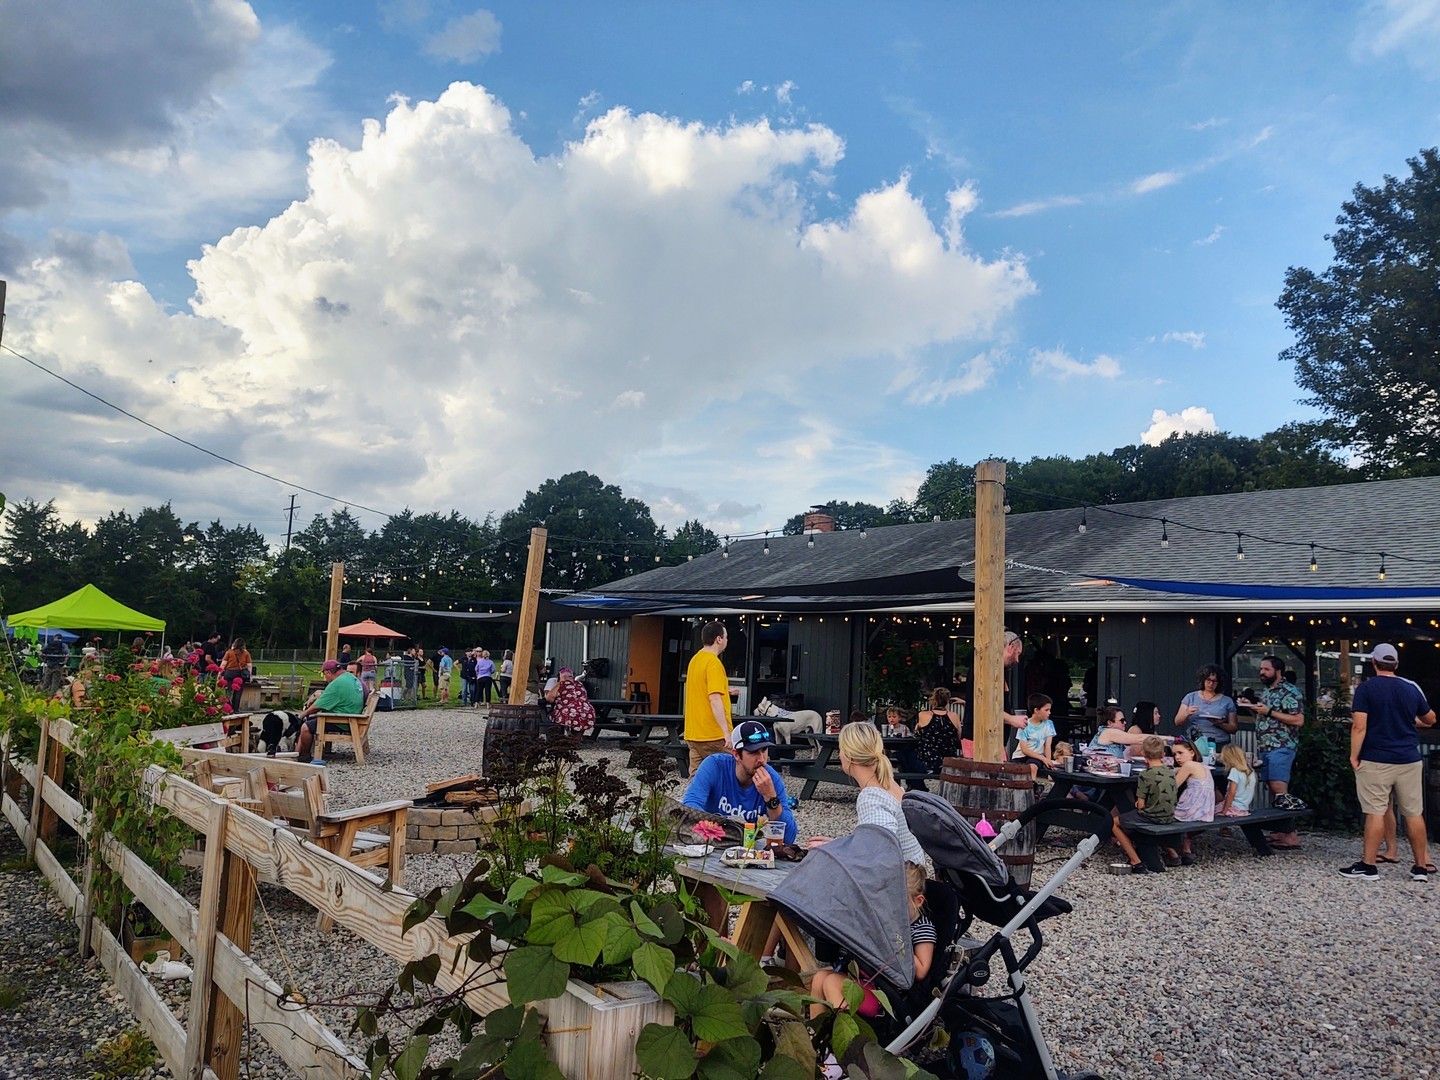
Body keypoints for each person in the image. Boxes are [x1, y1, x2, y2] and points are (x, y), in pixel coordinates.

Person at [682, 720, 797, 929]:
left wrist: (770, 798)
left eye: (764, 751)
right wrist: (727, 828)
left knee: (786, 894)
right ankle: (714, 956)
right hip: (712, 853)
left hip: (750, 859)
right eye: (753, 752)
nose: (761, 759)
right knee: (712, 892)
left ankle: (764, 956)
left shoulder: (771, 778)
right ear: (736, 754)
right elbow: (689, 808)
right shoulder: (715, 765)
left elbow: (788, 837)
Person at [1338, 643, 1436, 881]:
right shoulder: (1410, 688)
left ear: (1373, 663)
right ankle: (1421, 867)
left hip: (1376, 758)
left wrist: (1353, 755)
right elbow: (1430, 718)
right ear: (1396, 664)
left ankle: (1369, 865)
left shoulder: (1366, 689)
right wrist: (1409, 722)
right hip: (1409, 758)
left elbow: (1359, 726)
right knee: (1414, 813)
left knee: (1375, 811)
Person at [809, 862, 935, 1020]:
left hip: (888, 994)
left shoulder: (922, 929)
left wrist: (895, 937)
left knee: (831, 982)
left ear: (918, 901)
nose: (890, 909)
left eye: (897, 904)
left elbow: (922, 971)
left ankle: (844, 1035)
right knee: (820, 977)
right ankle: (816, 1031)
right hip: (865, 979)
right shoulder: (883, 919)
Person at [807, 722, 927, 865]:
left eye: (840, 749)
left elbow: (877, 855)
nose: (839, 755)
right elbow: (873, 841)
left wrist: (834, 852)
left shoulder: (872, 797)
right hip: (913, 877)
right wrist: (838, 844)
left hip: (900, 883)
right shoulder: (892, 786)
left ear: (848, 755)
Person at [1239, 655, 1306, 850]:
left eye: (1266, 669)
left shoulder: (1290, 691)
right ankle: (1280, 831)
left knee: (1280, 789)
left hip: (1282, 746)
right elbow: (1266, 716)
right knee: (1272, 789)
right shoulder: (1267, 691)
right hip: (1265, 747)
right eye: (1261, 669)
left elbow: (1298, 720)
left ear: (1278, 671)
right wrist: (1252, 708)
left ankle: (1291, 835)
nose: (1261, 672)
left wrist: (1268, 712)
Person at [1114, 736, 1178, 873]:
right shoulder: (1171, 772)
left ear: (1143, 753)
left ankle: (1135, 860)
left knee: (1113, 823)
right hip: (1169, 816)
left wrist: (1138, 803)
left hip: (1152, 817)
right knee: (1131, 818)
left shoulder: (1145, 775)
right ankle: (1170, 853)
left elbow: (1141, 805)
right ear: (1163, 754)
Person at [684, 621, 733, 774]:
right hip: (713, 734)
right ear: (719, 639)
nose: (727, 640)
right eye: (726, 637)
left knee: (697, 780)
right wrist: (726, 732)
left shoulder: (695, 660)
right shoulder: (714, 663)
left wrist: (727, 690)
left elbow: (701, 689)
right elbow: (714, 699)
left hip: (693, 732)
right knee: (732, 773)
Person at [295, 659, 365, 761]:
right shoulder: (350, 677)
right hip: (354, 718)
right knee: (312, 721)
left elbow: (318, 706)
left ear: (328, 672)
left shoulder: (337, 683)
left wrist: (301, 715)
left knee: (306, 727)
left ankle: (304, 756)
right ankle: (300, 752)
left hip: (343, 721)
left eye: (324, 674)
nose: (325, 678)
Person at [906, 687, 964, 789]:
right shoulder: (954, 716)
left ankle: (915, 786)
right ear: (947, 701)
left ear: (933, 700)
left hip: (928, 761)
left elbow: (917, 733)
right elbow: (959, 737)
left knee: (903, 754)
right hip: (948, 760)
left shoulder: (923, 715)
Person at [1169, 739, 1215, 864]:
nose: (1177, 757)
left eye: (1180, 753)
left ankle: (1171, 851)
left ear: (1191, 752)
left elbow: (1172, 787)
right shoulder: (1203, 766)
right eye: (1174, 754)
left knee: (1159, 816)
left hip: (1191, 810)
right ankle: (1186, 847)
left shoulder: (1188, 766)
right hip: (1205, 811)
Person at [1174, 665, 1238, 748]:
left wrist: (1220, 724)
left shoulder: (1227, 701)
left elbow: (1234, 728)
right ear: (1203, 680)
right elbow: (1177, 722)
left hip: (1219, 742)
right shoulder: (1190, 697)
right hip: (1195, 741)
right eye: (1208, 680)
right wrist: (1186, 713)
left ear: (1219, 683)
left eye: (1214, 681)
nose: (1211, 684)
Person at [1012, 693, 1057, 780]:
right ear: (1036, 710)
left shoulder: (1049, 724)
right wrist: (1043, 759)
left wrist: (1048, 761)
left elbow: (1047, 746)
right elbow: (1024, 750)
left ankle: (1032, 787)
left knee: (1032, 767)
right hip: (1020, 756)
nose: (1049, 713)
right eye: (1046, 710)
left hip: (1036, 757)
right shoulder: (1024, 724)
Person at [545, 667, 596, 734]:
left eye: (570, 676)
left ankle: (575, 738)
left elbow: (584, 697)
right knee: (575, 715)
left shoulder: (577, 684)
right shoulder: (561, 684)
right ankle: (574, 738)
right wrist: (560, 683)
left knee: (580, 714)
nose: (568, 678)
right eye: (565, 676)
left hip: (580, 710)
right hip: (575, 710)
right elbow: (549, 699)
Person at [1217, 744, 1257, 817]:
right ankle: (1224, 828)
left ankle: (1223, 828)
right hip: (1244, 808)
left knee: (1211, 810)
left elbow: (1231, 793)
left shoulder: (1234, 771)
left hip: (1233, 807)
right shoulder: (1251, 771)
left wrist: (1224, 811)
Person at [219, 637, 253, 712]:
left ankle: (227, 708)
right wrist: (250, 676)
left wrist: (219, 674)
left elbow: (223, 664)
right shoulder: (246, 653)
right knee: (238, 692)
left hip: (229, 673)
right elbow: (249, 665)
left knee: (228, 691)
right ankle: (236, 709)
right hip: (240, 674)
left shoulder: (229, 652)